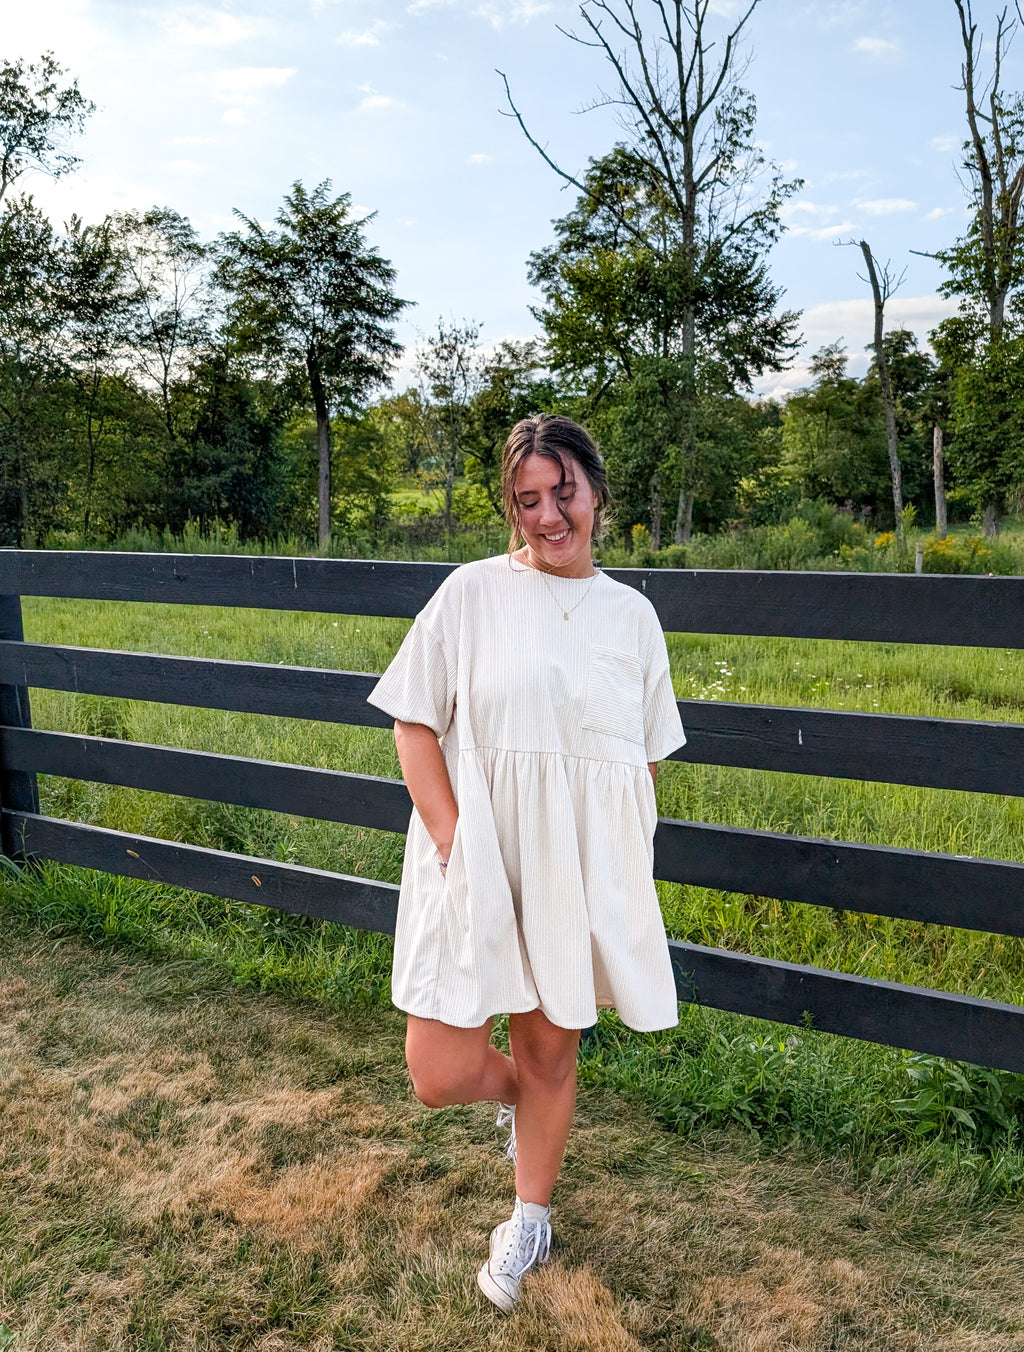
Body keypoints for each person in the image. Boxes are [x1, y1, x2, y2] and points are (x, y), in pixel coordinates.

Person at [366, 413, 685, 1312]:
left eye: (564, 493)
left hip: (574, 874)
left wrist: (611, 874)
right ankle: (524, 1104)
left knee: (550, 1054)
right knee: (437, 1073)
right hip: (474, 856)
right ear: (511, 508)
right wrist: (452, 842)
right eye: (528, 499)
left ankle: (529, 1219)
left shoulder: (633, 616)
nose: (549, 516)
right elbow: (413, 723)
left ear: (597, 493)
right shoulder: (470, 593)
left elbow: (639, 763)